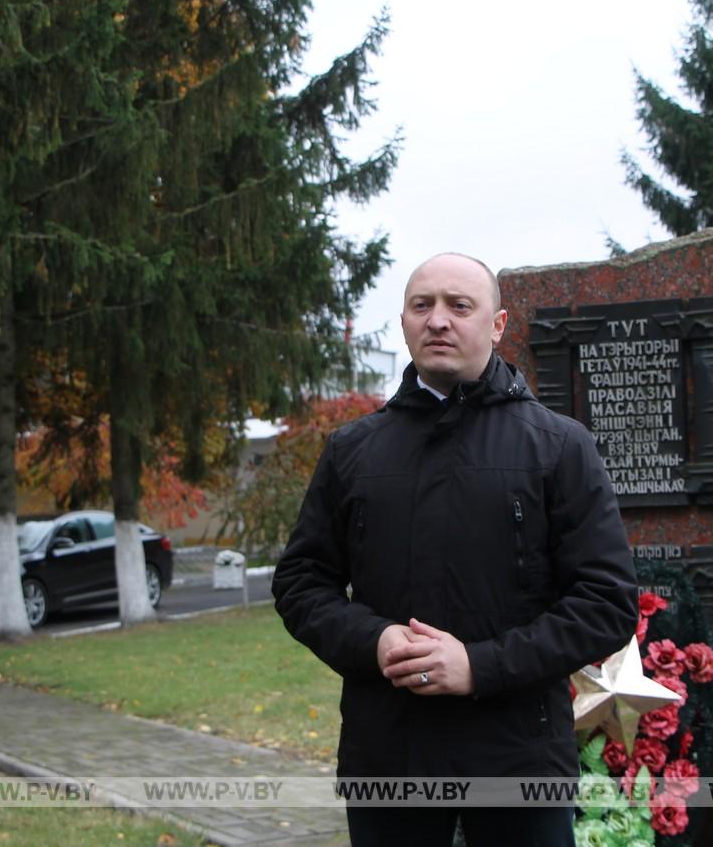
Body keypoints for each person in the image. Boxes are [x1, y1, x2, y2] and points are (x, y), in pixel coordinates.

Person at [272, 253, 637, 846]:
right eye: (423, 305)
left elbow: (607, 604)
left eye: (458, 306)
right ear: (404, 322)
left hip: (519, 761)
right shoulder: (352, 451)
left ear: (497, 325)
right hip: (389, 759)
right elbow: (301, 583)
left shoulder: (558, 447)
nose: (437, 320)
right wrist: (375, 640)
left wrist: (479, 666)